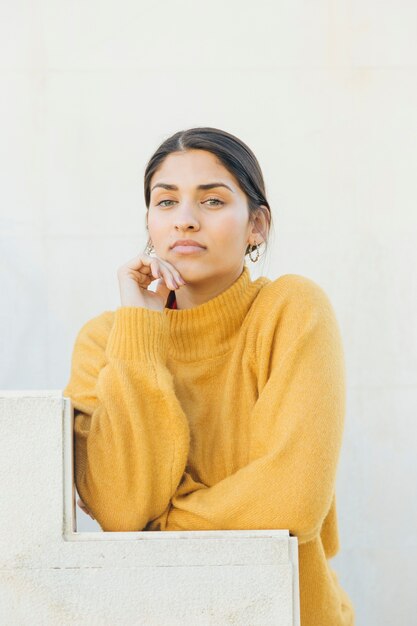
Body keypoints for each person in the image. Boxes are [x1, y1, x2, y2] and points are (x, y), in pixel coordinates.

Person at [63, 126, 355, 625]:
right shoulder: (105, 339)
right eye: (166, 202)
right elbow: (120, 509)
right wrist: (142, 327)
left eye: (213, 202)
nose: (186, 221)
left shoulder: (291, 309)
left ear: (256, 225)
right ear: (149, 222)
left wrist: (161, 527)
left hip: (291, 614)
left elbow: (293, 498)